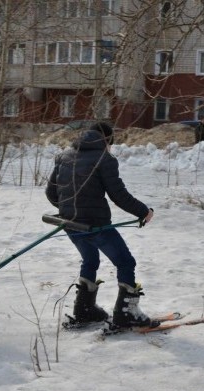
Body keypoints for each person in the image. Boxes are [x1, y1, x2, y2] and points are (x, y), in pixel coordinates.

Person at [46, 122, 156, 328]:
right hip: (95, 225)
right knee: (125, 263)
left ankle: (85, 310)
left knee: (89, 261)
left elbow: (52, 194)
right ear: (107, 140)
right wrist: (144, 212)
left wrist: (70, 207)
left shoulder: (64, 156)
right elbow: (118, 195)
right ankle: (127, 313)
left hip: (70, 224)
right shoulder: (104, 159)